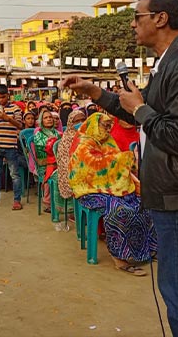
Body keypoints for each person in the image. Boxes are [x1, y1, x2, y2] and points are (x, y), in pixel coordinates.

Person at [62, 0, 178, 336]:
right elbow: (142, 113)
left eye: (137, 17)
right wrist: (97, 93)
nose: (132, 24)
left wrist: (140, 109)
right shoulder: (174, 61)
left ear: (160, 18)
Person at [69, 113, 157, 275]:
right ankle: (119, 258)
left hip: (109, 188)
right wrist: (126, 158)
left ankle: (147, 249)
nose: (108, 129)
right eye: (105, 125)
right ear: (95, 125)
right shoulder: (83, 142)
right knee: (119, 209)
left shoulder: (107, 140)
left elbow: (112, 162)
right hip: (88, 190)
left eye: (110, 125)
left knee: (141, 202)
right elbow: (96, 165)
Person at [0, 85, 25, 210]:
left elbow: (20, 125)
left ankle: (17, 200)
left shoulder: (16, 109)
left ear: (8, 96)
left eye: (3, 97)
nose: (1, 100)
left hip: (11, 146)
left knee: (14, 174)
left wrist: (7, 118)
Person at [34, 110, 60, 212]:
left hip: (58, 163)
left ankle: (62, 202)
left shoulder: (57, 133)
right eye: (45, 118)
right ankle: (48, 203)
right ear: (41, 121)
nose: (49, 119)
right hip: (44, 165)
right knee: (54, 176)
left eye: (50, 117)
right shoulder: (38, 134)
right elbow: (46, 148)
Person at [56, 110, 86, 200]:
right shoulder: (67, 139)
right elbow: (65, 162)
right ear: (70, 123)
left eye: (83, 120)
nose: (81, 123)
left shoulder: (89, 135)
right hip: (73, 171)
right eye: (77, 121)